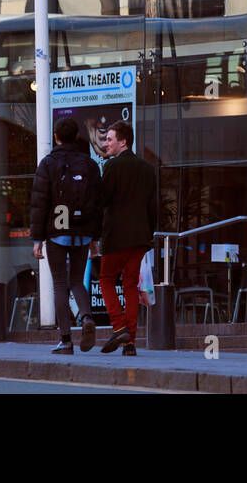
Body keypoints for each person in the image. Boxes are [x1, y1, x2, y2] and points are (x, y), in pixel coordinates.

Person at [31, 116, 104, 354]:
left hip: (56, 233)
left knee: (60, 283)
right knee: (76, 281)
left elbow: (39, 203)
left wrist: (37, 239)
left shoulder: (48, 164)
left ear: (56, 137)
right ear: (76, 137)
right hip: (82, 231)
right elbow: (97, 204)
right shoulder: (89, 164)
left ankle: (66, 339)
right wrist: (94, 238)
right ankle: (85, 317)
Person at [95, 121, 158, 355]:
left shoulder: (112, 167)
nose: (105, 143)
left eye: (109, 139)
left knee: (106, 279)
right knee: (130, 285)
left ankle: (118, 326)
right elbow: (153, 207)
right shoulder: (147, 168)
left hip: (116, 236)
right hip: (140, 237)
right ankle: (130, 342)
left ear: (123, 141)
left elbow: (103, 201)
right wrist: (149, 233)